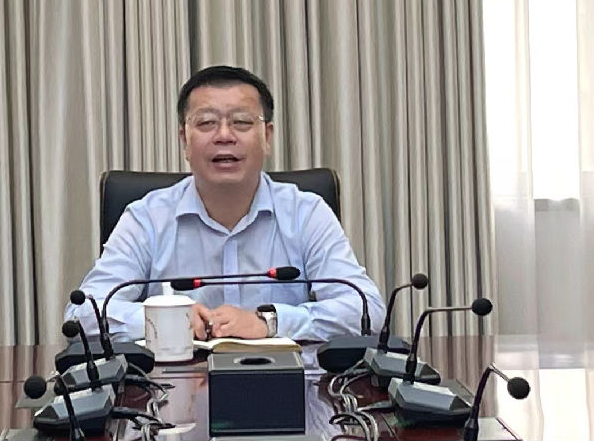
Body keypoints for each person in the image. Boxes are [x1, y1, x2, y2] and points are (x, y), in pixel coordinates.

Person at [65, 65, 385, 341]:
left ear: (267, 137)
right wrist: (167, 319)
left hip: (289, 383)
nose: (224, 135)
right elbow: (81, 315)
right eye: (206, 123)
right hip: (171, 388)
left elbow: (366, 309)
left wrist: (270, 322)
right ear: (184, 140)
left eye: (241, 122)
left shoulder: (306, 213)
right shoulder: (147, 218)